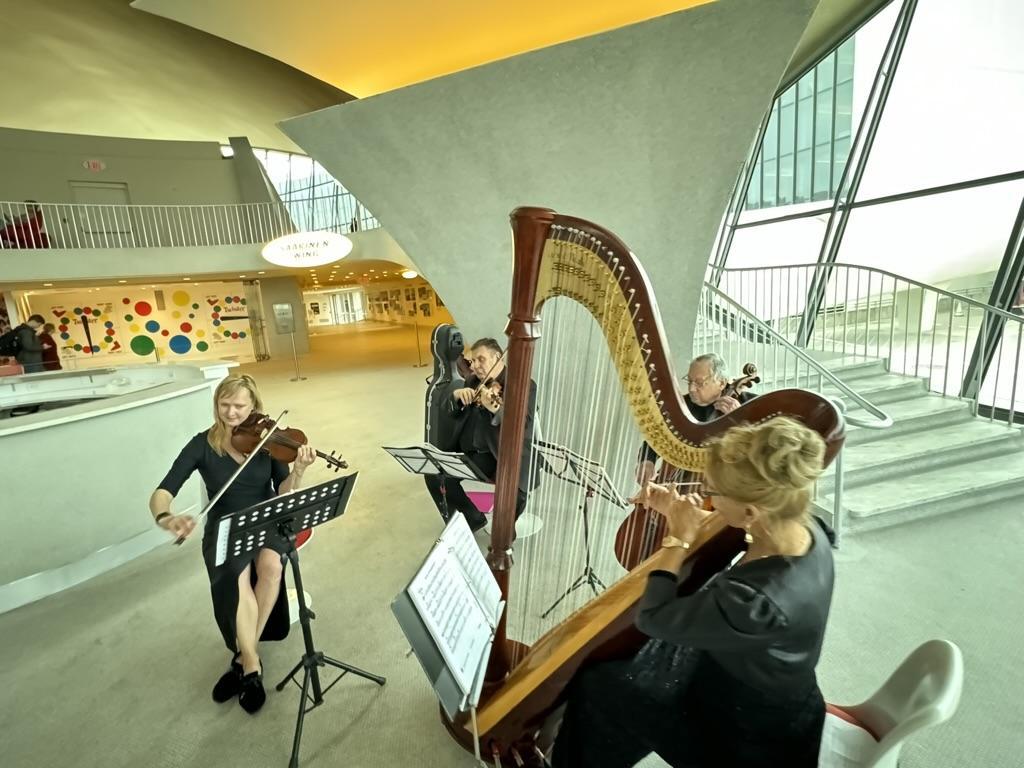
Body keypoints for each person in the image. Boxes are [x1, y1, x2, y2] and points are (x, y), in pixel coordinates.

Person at [551, 416, 834, 768]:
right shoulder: (805, 528)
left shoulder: (754, 603)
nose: (707, 497)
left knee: (599, 686)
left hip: (746, 731)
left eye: (713, 491)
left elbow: (653, 618)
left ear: (750, 512)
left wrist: (678, 537)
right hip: (769, 678)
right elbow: (740, 532)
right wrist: (680, 512)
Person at [149, 374, 316, 714]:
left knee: (271, 566)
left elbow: (284, 492)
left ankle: (243, 657)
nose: (231, 412)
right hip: (226, 525)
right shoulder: (202, 445)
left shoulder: (268, 440)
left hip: (266, 517)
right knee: (237, 579)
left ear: (254, 405)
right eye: (224, 404)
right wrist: (166, 517)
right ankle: (252, 664)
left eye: (239, 405)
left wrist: (297, 471)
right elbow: (163, 491)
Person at [424, 337, 537, 531]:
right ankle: (473, 519)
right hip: (473, 453)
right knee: (435, 475)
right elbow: (451, 413)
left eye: (480, 359)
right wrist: (456, 397)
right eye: (473, 361)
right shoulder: (472, 381)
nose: (475, 366)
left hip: (503, 455)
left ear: (497, 357)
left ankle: (503, 536)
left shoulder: (522, 384)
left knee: (513, 494)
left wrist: (496, 409)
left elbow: (523, 423)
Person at [637, 353, 756, 485]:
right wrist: (647, 461)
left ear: (721, 383)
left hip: (724, 487)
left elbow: (761, 447)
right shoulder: (681, 406)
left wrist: (740, 419)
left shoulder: (750, 404)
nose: (691, 389)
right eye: (689, 381)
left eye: (699, 383)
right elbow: (659, 438)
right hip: (675, 483)